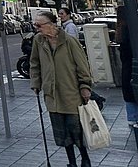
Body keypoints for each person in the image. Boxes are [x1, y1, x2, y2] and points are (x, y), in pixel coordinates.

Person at [30, 9, 94, 167]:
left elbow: (82, 65)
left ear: (51, 24)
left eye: (39, 25)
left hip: (70, 93)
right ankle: (71, 162)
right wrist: (36, 83)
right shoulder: (39, 40)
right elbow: (34, 63)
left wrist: (85, 86)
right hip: (52, 95)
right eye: (35, 25)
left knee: (76, 130)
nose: (37, 28)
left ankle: (84, 158)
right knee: (62, 134)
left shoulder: (69, 41)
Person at [117, 6, 138, 126]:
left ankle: (132, 117)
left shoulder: (121, 29)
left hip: (127, 67)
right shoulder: (131, 29)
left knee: (129, 92)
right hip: (132, 66)